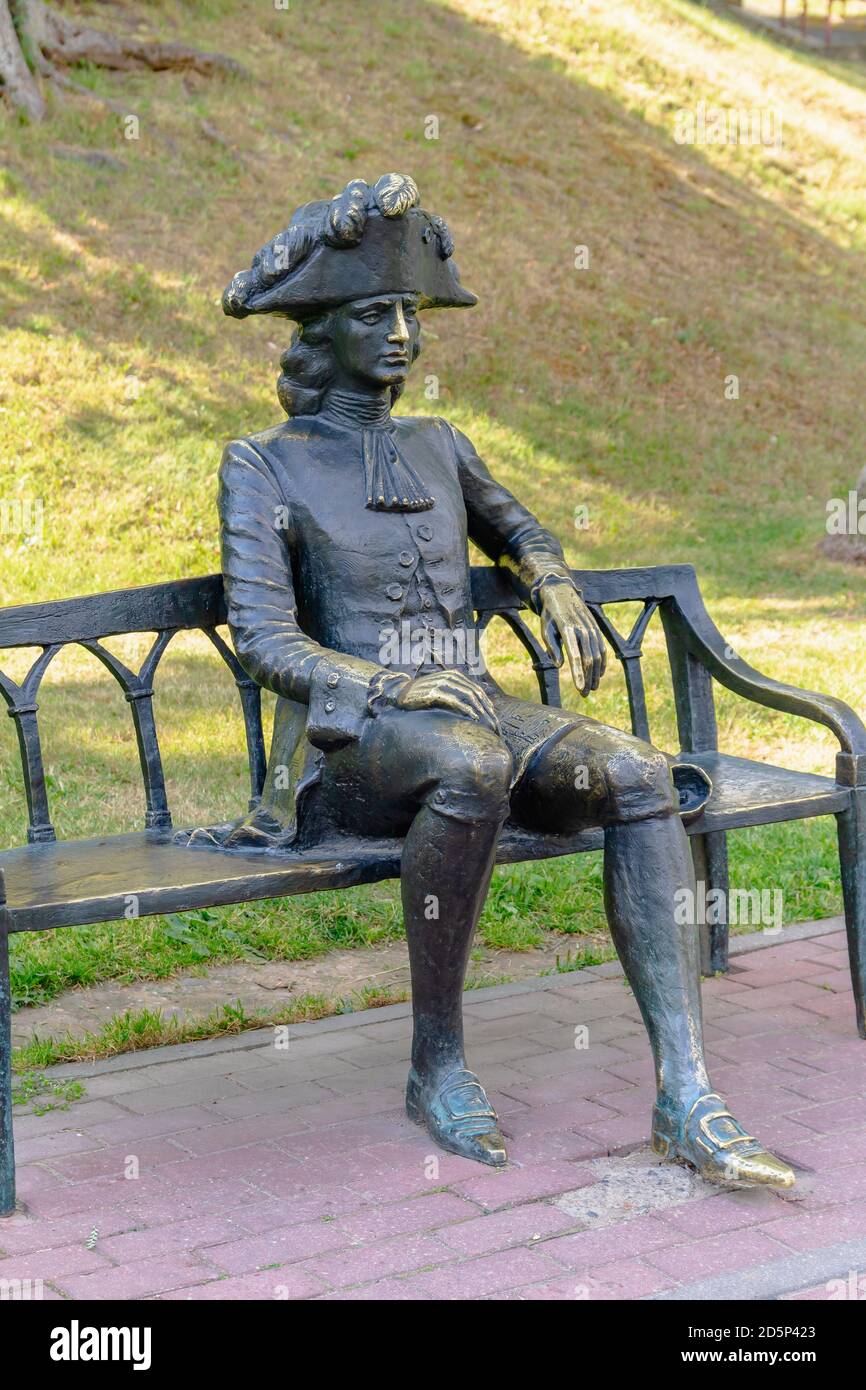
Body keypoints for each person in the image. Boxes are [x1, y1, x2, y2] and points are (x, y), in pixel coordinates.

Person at [191, 172, 793, 1187]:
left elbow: (514, 522)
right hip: (353, 746)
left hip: (475, 710)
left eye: (409, 314)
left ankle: (685, 1093)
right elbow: (264, 639)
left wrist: (549, 577)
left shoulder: (438, 443)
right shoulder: (262, 463)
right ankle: (437, 1061)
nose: (400, 335)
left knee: (638, 773)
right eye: (372, 314)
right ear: (320, 332)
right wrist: (387, 684)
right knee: (468, 762)